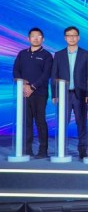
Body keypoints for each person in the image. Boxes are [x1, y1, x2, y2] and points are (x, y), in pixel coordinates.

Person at [50, 26, 88, 159]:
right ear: (65, 38)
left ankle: (82, 150)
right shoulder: (59, 54)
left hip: (81, 94)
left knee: (82, 123)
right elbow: (54, 75)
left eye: (74, 35)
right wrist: (55, 94)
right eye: (69, 35)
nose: (72, 38)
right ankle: (62, 149)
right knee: (62, 122)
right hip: (64, 94)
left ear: (78, 37)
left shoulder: (85, 54)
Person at [12, 28, 52, 159]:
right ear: (28, 39)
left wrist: (32, 87)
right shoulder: (22, 54)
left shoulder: (46, 55)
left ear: (43, 39)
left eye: (38, 36)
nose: (35, 38)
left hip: (40, 93)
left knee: (40, 121)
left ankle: (43, 150)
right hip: (23, 93)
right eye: (33, 36)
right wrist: (24, 86)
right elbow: (16, 71)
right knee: (26, 122)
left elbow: (46, 74)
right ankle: (27, 149)